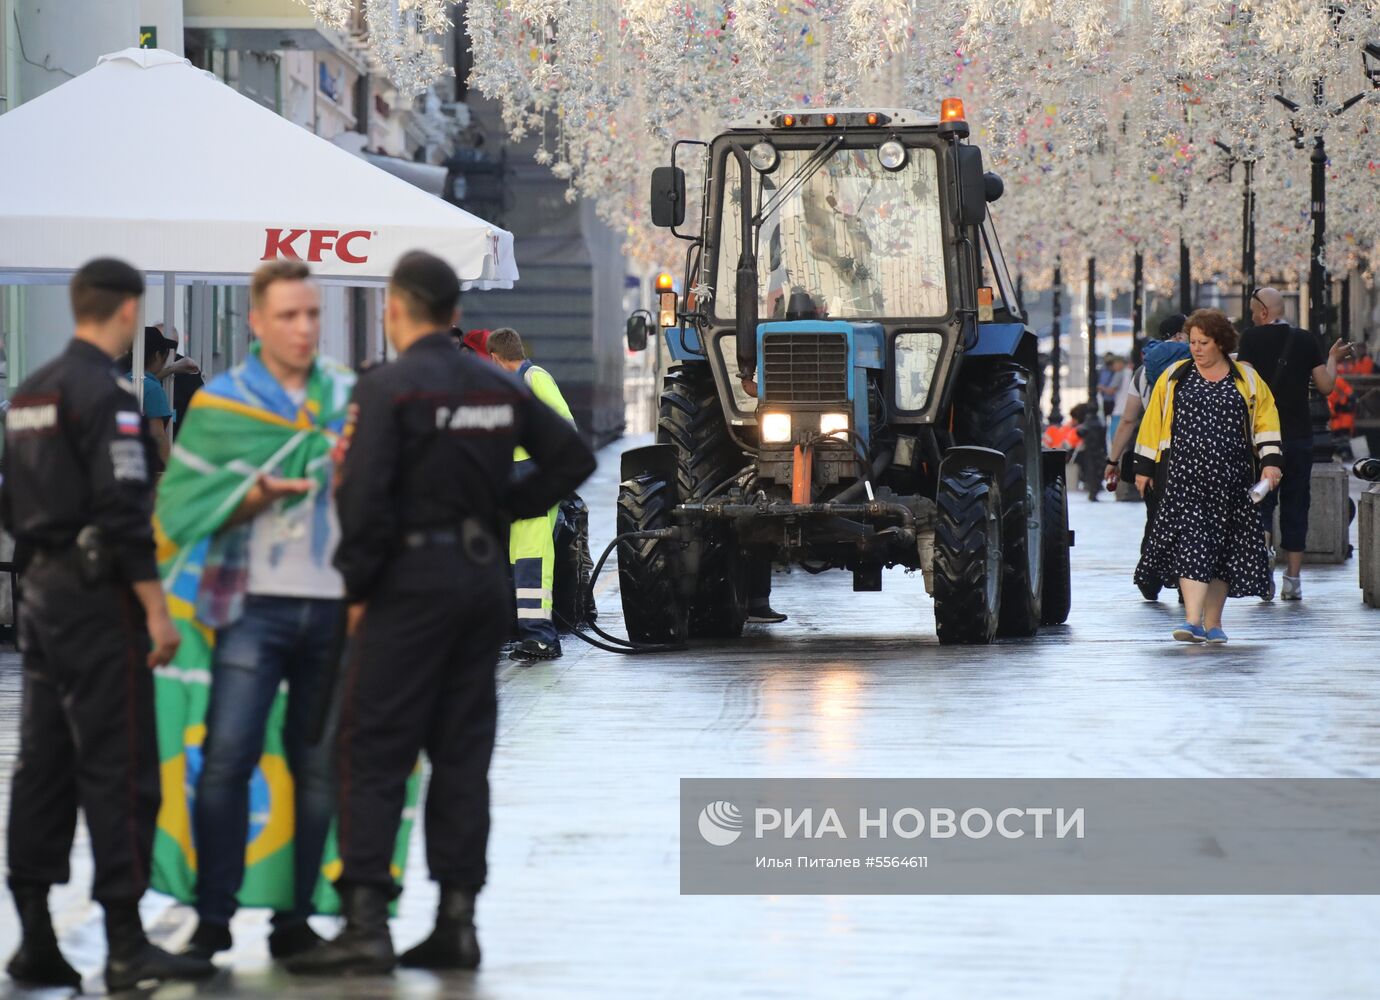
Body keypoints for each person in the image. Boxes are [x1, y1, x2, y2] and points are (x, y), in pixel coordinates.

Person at [289, 251, 595, 976]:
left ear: (396, 310)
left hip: (406, 584)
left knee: (374, 748)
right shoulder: (497, 383)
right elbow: (571, 458)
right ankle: (458, 921)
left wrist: (357, 592)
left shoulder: (388, 388)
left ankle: (366, 922)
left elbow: (358, 500)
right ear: (455, 314)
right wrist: (500, 507)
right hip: (479, 581)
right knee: (462, 754)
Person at [0, 258, 214, 991]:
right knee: (121, 766)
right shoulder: (109, 395)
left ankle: (33, 937)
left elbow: (10, 500)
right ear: (127, 311)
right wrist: (156, 610)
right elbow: (125, 513)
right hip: (99, 603)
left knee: (42, 766)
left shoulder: (28, 392)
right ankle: (125, 943)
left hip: (42, 594)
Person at [154, 260, 356, 962]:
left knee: (317, 766)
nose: (304, 328)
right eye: (290, 317)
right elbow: (180, 508)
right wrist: (256, 496)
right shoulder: (225, 405)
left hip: (331, 605)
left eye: (312, 315)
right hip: (250, 606)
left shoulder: (348, 399)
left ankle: (294, 925)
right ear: (259, 323)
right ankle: (213, 923)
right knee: (227, 759)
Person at [1133, 309, 1283, 644]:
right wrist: (1143, 469)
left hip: (1232, 482)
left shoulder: (1246, 378)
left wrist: (1271, 463)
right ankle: (1191, 621)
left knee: (1223, 553)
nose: (1196, 348)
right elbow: (1153, 423)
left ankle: (1213, 623)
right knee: (1192, 546)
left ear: (1221, 343)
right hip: (1185, 479)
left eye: (1203, 342)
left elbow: (1265, 422)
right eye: (1193, 342)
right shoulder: (1174, 376)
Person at [1236, 287, 1351, 600]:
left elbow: (1244, 385)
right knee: (1297, 502)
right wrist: (1332, 358)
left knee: (1261, 501)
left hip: (1262, 438)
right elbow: (1326, 386)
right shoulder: (1304, 339)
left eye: (1252, 312)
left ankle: (1264, 569)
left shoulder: (1250, 339)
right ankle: (1294, 580)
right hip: (1299, 435)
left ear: (1262, 313)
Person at [485, 327, 577, 661]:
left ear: (496, 357)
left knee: (532, 564)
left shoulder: (534, 378)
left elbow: (565, 426)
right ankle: (533, 635)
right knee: (524, 564)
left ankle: (541, 638)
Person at [1107, 314, 1188, 600]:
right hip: (1189, 451)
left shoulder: (1144, 371)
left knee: (1155, 515)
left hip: (1151, 455)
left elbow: (1128, 420)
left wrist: (1112, 460)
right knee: (1190, 518)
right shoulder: (1197, 366)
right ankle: (1185, 580)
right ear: (1180, 335)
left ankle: (1149, 577)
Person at [126, 325, 178, 468]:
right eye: (165, 355)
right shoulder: (152, 389)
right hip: (143, 466)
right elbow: (158, 436)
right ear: (156, 355)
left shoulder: (121, 381)